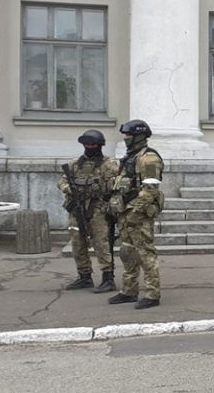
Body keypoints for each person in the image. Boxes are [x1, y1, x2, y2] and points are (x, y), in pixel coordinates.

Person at [107, 119, 165, 310]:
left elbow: (151, 189)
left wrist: (136, 211)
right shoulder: (130, 157)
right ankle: (129, 291)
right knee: (127, 252)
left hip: (138, 214)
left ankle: (152, 293)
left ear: (138, 136)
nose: (125, 138)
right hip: (125, 212)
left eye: (128, 135)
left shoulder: (149, 158)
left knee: (145, 253)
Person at [57, 129, 118, 293]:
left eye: (93, 144)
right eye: (87, 144)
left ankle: (108, 278)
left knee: (101, 244)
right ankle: (84, 277)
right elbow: (61, 182)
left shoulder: (109, 164)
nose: (89, 147)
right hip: (77, 209)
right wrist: (70, 189)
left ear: (99, 145)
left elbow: (115, 185)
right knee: (77, 243)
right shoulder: (74, 165)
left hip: (98, 210)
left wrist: (97, 188)